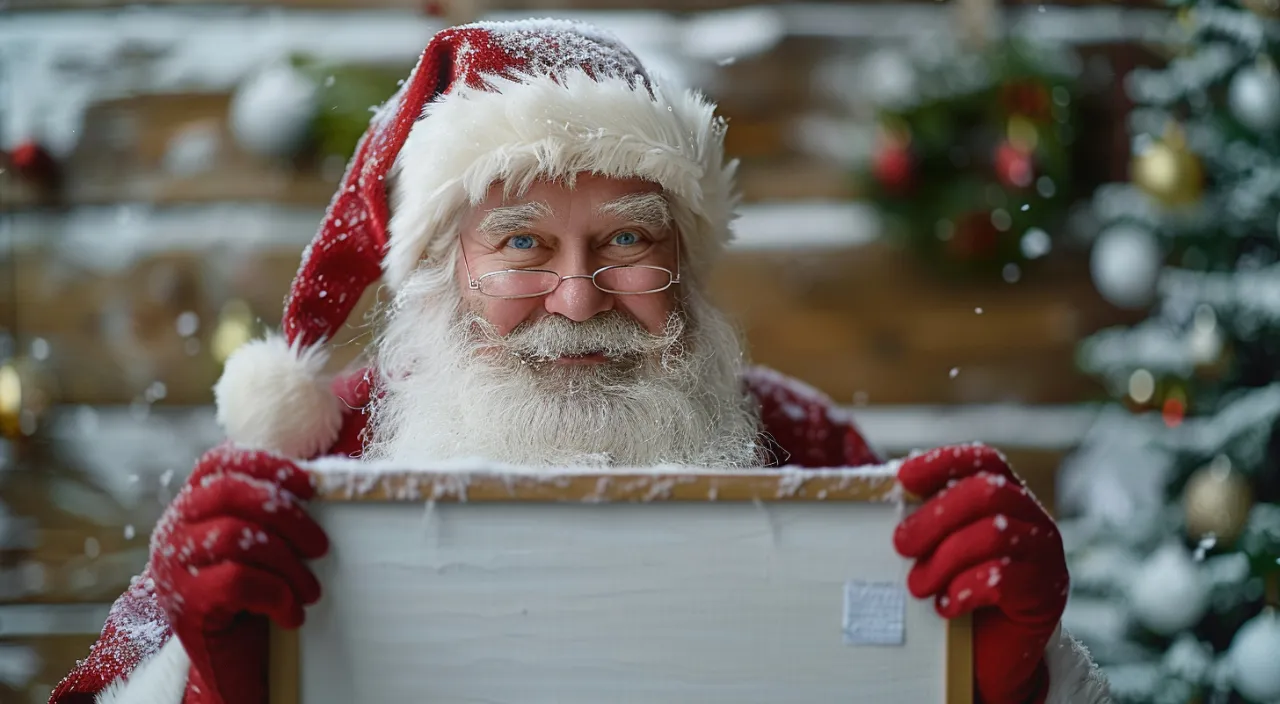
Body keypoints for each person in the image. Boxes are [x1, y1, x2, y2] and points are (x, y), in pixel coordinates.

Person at [50, 19, 1110, 704]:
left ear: (684, 260)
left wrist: (1003, 681)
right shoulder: (287, 479)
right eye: (519, 242)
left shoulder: (811, 447)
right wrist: (208, 684)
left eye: (627, 240)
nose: (575, 295)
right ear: (439, 266)